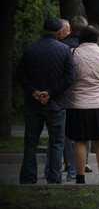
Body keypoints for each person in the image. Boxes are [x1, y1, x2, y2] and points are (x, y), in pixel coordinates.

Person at [16, 16, 75, 184]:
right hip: (56, 105)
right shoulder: (64, 50)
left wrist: (34, 92)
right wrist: (50, 93)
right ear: (59, 32)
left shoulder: (30, 49)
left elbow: (20, 75)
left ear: (43, 30)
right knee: (56, 142)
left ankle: (28, 178)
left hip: (33, 104)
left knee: (30, 143)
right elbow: (69, 77)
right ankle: (54, 178)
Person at [65, 25, 99, 184]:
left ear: (80, 37)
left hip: (78, 103)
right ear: (98, 39)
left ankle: (80, 178)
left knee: (80, 141)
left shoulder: (73, 53)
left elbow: (70, 76)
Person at [61, 15, 94, 174]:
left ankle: (68, 162)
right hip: (87, 96)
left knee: (68, 131)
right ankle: (84, 162)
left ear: (71, 29)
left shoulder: (62, 46)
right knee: (84, 131)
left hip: (65, 95)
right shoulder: (92, 49)